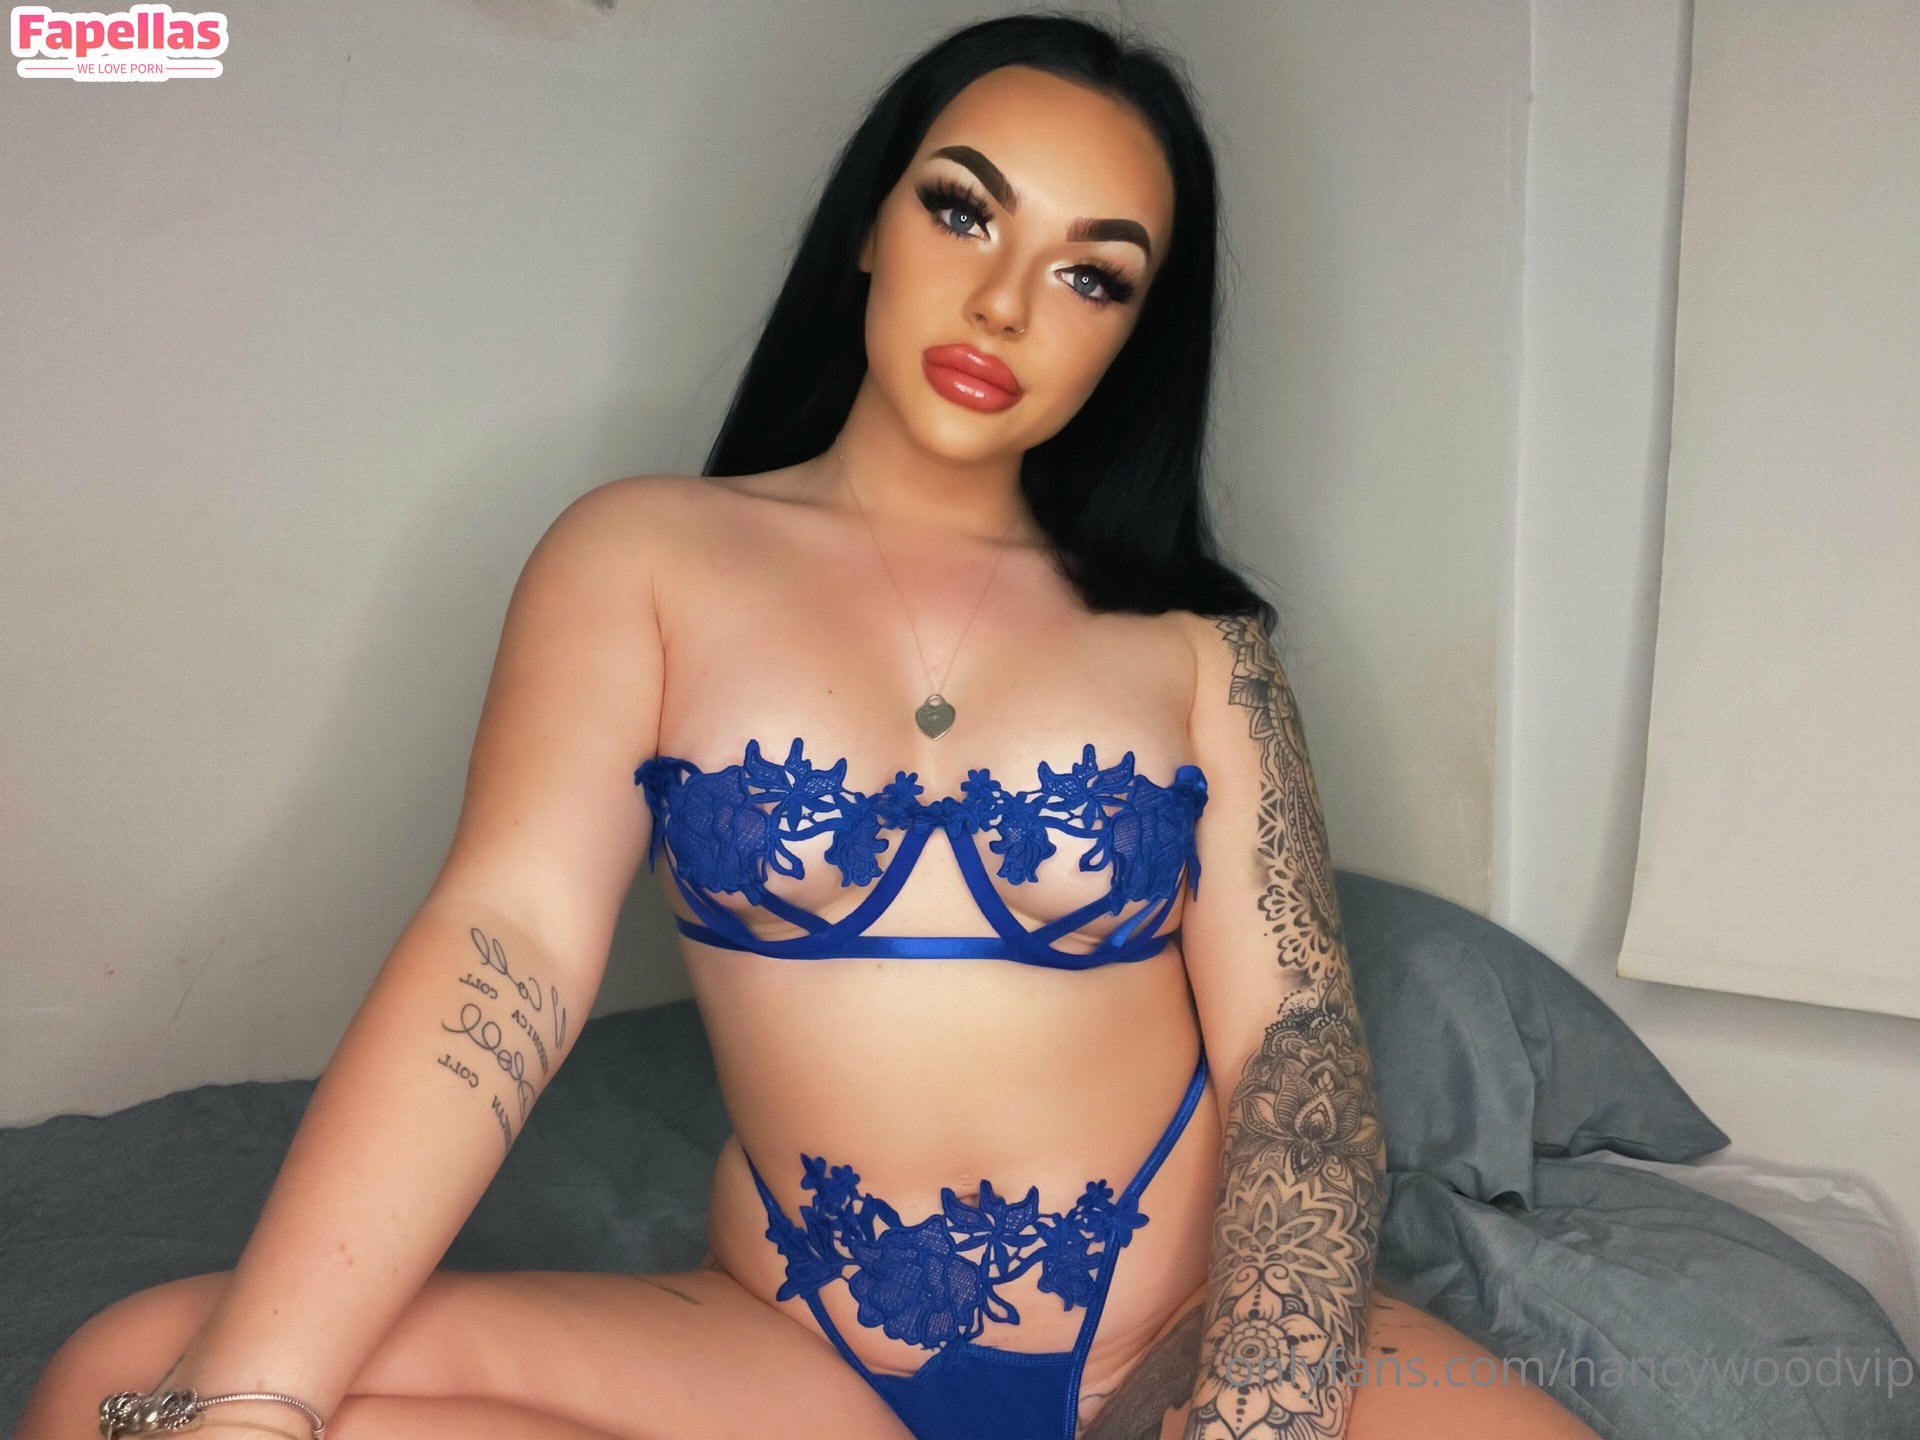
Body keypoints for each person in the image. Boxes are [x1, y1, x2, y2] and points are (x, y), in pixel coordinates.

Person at [23, 13, 1603, 1440]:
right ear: (868, 222)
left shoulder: (1202, 649)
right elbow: (507, 944)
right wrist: (259, 1398)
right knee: (130, 1383)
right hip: (799, 1359)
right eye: (964, 210)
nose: (1005, 301)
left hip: (1185, 1346)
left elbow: (1296, 1052)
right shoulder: (642, 555)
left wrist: (1258, 1417)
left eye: (1092, 274)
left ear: (1136, 332)